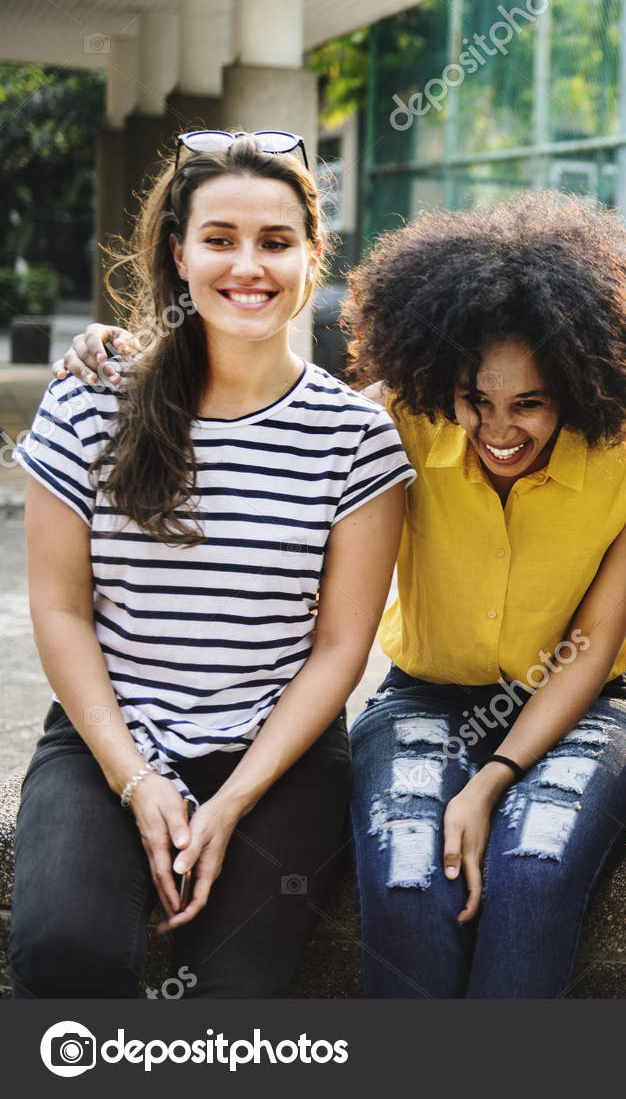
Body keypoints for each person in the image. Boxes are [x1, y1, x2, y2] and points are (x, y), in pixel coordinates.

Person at [51, 190, 626, 998]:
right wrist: (125, 352)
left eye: (530, 402)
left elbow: (594, 641)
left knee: (535, 867)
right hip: (422, 693)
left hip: (586, 701)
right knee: (408, 875)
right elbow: (260, 419)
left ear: (580, 383)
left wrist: (492, 777)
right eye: (475, 398)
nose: (500, 429)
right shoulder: (390, 423)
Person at [12, 130, 414, 998]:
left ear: (313, 257)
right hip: (106, 737)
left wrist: (229, 801)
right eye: (220, 239)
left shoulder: (356, 440)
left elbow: (343, 646)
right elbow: (59, 610)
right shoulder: (90, 399)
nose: (248, 266)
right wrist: (136, 779)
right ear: (178, 251)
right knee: (62, 949)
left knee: (231, 998)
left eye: (275, 242)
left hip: (280, 757)